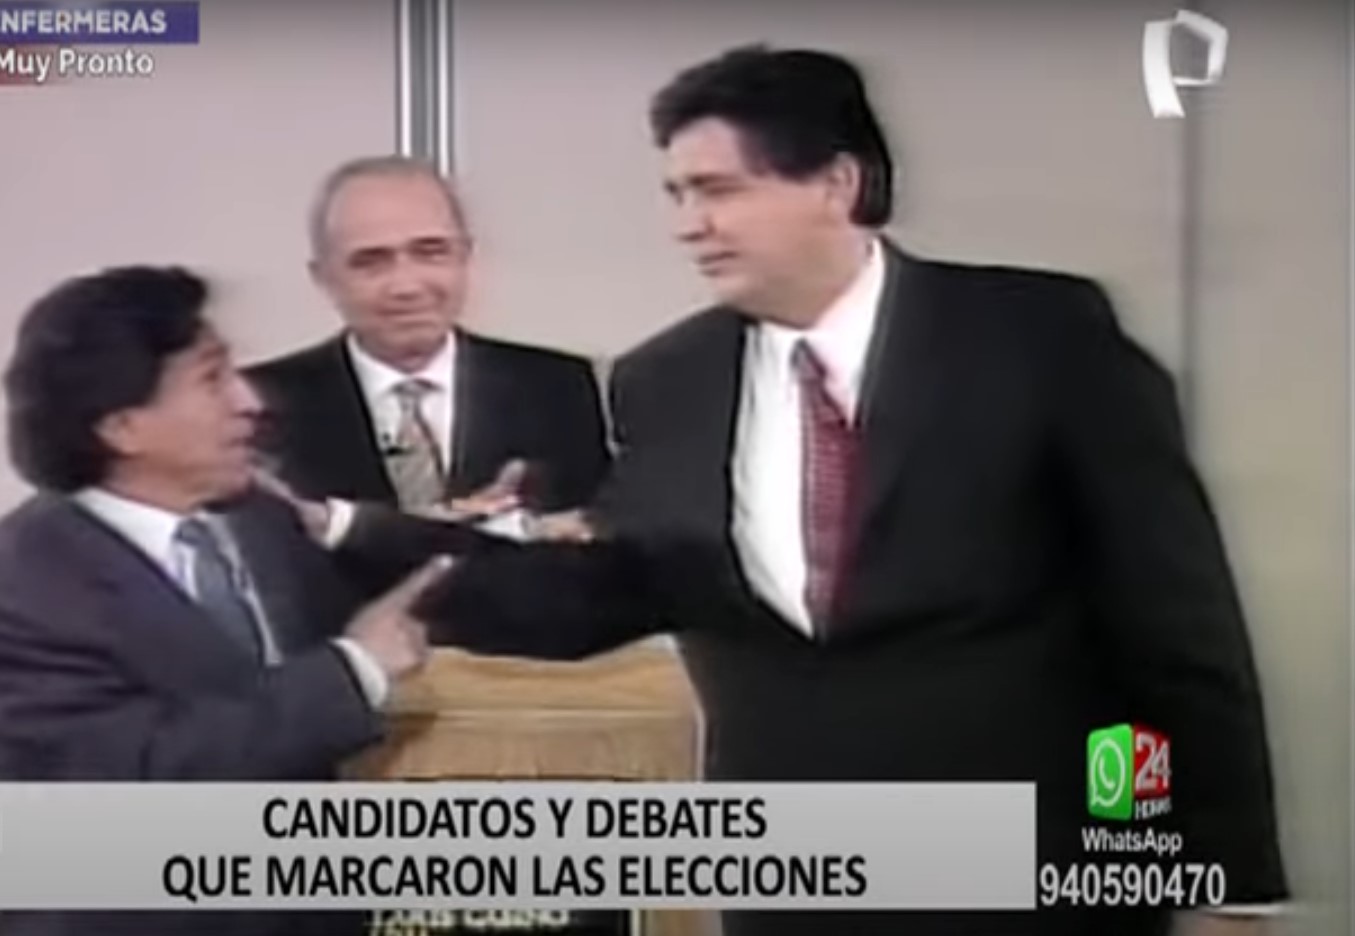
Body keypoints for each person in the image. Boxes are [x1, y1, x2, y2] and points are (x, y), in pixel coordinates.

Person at [307, 45, 1289, 936]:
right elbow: (615, 594)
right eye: (675, 194)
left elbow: (1168, 628)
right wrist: (361, 537)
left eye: (716, 190)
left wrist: (1207, 877)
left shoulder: (1040, 338)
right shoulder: (666, 380)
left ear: (836, 183)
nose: (687, 225)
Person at [0, 265, 453, 936]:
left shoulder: (258, 514)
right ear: (122, 426)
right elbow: (138, 795)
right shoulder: (8, 601)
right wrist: (353, 671)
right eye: (212, 378)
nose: (248, 401)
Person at [246, 156, 610, 532]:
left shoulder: (557, 387)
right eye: (370, 262)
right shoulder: (257, 404)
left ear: (465, 257)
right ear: (323, 277)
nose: (406, 286)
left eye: (430, 252)